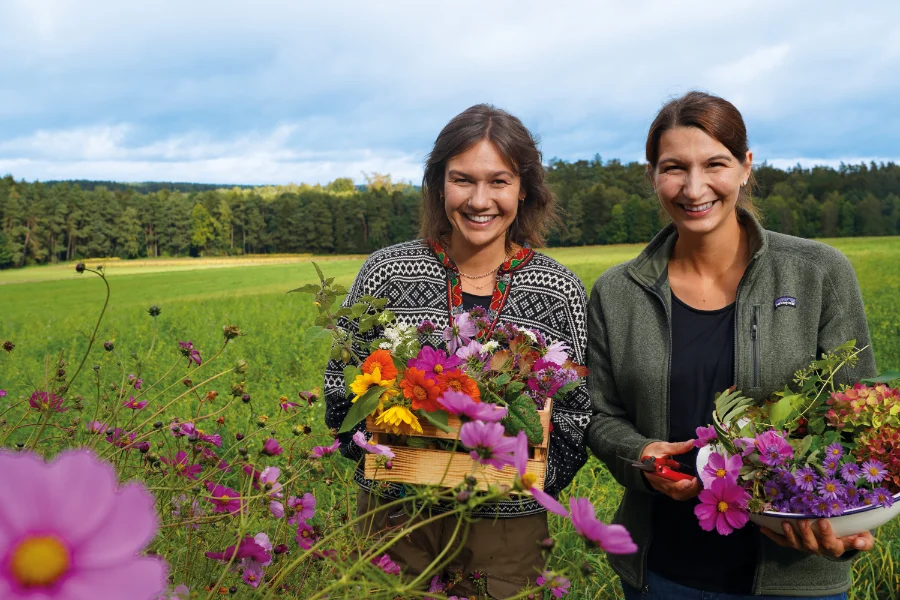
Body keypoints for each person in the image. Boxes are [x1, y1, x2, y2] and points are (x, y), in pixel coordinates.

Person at [586, 91, 877, 599]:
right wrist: (641, 456)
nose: (694, 187)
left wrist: (846, 518)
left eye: (714, 164)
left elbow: (860, 412)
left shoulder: (818, 273)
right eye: (674, 167)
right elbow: (599, 415)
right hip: (663, 575)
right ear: (652, 174)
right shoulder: (617, 292)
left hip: (795, 573)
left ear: (745, 167)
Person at [323, 104, 591, 598]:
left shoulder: (557, 289)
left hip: (507, 531)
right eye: (463, 180)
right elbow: (342, 384)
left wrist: (523, 483)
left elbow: (576, 415)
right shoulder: (387, 273)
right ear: (438, 185)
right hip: (394, 520)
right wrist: (387, 466)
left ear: (523, 189)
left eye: (499, 181)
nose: (480, 199)